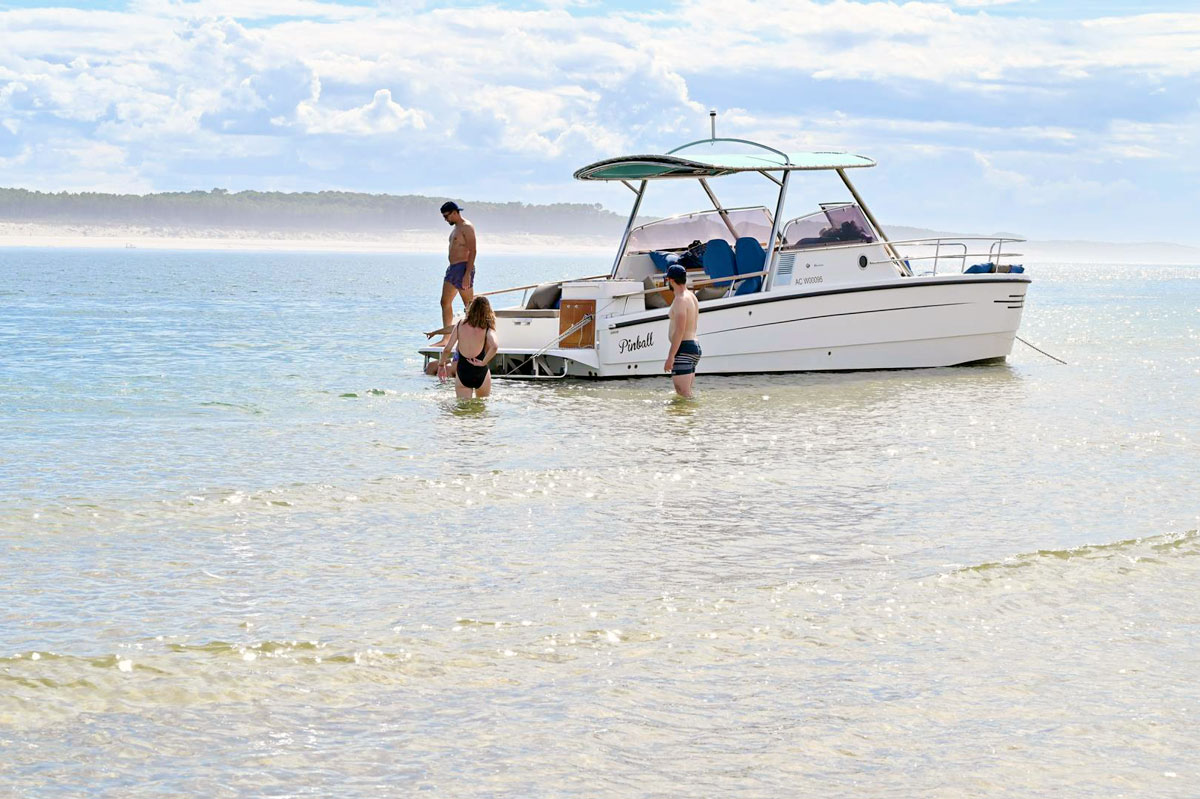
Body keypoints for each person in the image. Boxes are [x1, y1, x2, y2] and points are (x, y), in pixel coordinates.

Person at [438, 296, 497, 399]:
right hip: (481, 372)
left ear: (471, 308)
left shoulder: (460, 324)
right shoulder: (487, 327)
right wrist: (483, 362)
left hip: (463, 372)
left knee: (462, 409)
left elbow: (447, 348)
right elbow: (495, 347)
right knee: (481, 409)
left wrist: (441, 365)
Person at [437, 201, 477, 345]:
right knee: (444, 302)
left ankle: (474, 337)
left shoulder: (467, 227)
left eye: (446, 216)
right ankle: (446, 338)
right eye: (443, 217)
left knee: (469, 305)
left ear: (455, 212)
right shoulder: (455, 228)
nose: (445, 219)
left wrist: (467, 275)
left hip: (463, 268)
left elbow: (473, 251)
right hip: (452, 269)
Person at [662, 264, 701, 398]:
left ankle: (686, 417)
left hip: (684, 348)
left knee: (683, 394)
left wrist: (671, 356)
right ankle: (688, 417)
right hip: (693, 347)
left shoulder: (680, 300)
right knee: (686, 394)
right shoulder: (691, 296)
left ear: (671, 280)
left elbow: (680, 330)